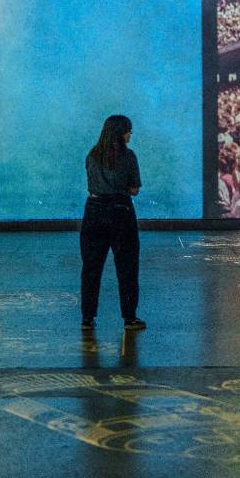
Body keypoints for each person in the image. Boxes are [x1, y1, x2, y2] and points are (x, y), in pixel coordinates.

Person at [81, 115, 146, 331]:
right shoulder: (128, 157)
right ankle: (129, 317)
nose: (130, 134)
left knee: (91, 267)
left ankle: (88, 317)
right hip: (121, 212)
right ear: (120, 133)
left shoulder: (92, 155)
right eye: (128, 131)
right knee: (127, 267)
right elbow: (134, 189)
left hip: (93, 211)